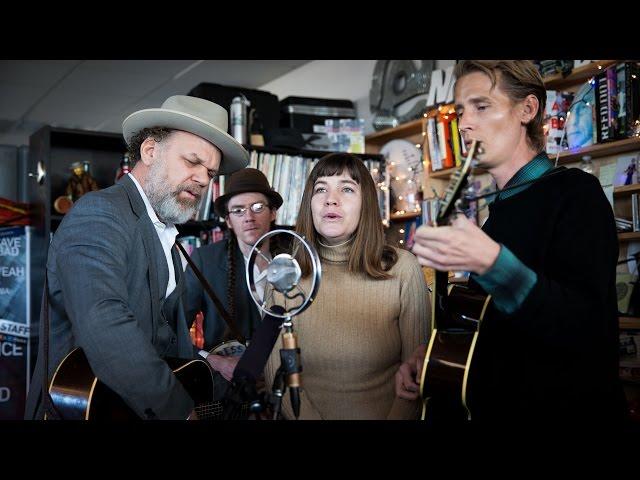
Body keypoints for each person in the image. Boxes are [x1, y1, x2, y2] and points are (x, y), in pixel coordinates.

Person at [396, 60, 627, 424]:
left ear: (527, 109)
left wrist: (493, 264)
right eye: (460, 112)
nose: (465, 123)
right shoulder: (497, 214)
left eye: (481, 106)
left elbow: (587, 330)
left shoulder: (576, 193)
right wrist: (432, 357)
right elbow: (488, 326)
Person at [24, 95, 249, 420]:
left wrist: (210, 363)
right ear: (150, 151)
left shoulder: (167, 234)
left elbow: (165, 342)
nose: (203, 179)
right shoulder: (99, 213)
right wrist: (179, 411)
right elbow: (104, 323)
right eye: (192, 161)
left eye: (211, 173)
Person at [264, 152, 430, 419]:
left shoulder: (403, 269)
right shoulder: (284, 275)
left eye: (347, 189)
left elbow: (417, 377)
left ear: (366, 204)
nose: (331, 198)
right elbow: (278, 376)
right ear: (309, 203)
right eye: (321, 189)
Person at [184, 167, 283, 382]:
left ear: (273, 212)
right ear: (228, 221)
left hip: (285, 384)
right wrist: (215, 362)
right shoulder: (204, 261)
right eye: (238, 210)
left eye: (257, 207)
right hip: (228, 389)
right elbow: (172, 331)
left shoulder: (296, 258)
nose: (248, 217)